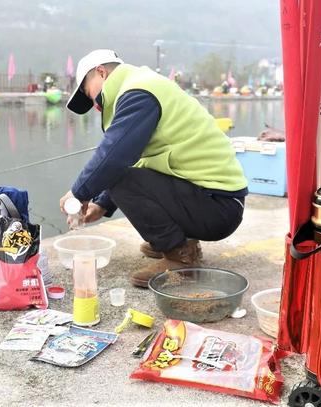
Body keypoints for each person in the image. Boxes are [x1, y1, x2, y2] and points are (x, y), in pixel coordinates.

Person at [59, 49, 248, 287]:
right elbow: (137, 160)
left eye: (89, 93)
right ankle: (180, 242)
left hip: (218, 205)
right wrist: (102, 204)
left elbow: (114, 158)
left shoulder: (138, 93)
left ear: (101, 72)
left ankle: (180, 257)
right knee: (117, 174)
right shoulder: (142, 84)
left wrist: (79, 193)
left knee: (115, 175)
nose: (94, 104)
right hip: (215, 200)